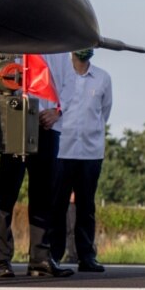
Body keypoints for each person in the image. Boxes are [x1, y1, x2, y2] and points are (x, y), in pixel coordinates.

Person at [0, 53, 72, 278]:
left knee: (43, 194)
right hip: (16, 117)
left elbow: (68, 84)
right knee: (7, 190)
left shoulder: (59, 48)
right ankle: (2, 260)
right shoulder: (15, 40)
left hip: (47, 124)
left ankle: (40, 259)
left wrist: (57, 111)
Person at [48, 49, 113, 273]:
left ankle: (86, 256)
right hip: (63, 149)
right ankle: (53, 255)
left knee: (87, 207)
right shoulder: (61, 76)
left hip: (90, 152)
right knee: (57, 206)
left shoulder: (103, 78)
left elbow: (105, 112)